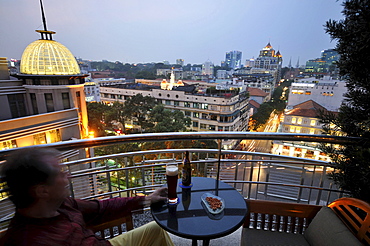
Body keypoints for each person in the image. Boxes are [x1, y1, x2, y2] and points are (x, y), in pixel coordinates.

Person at [0, 148, 174, 246]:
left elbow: (101, 208)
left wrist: (146, 199)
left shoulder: (60, 204)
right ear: (42, 191)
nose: (68, 176)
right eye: (60, 173)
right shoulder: (31, 241)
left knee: (155, 229)